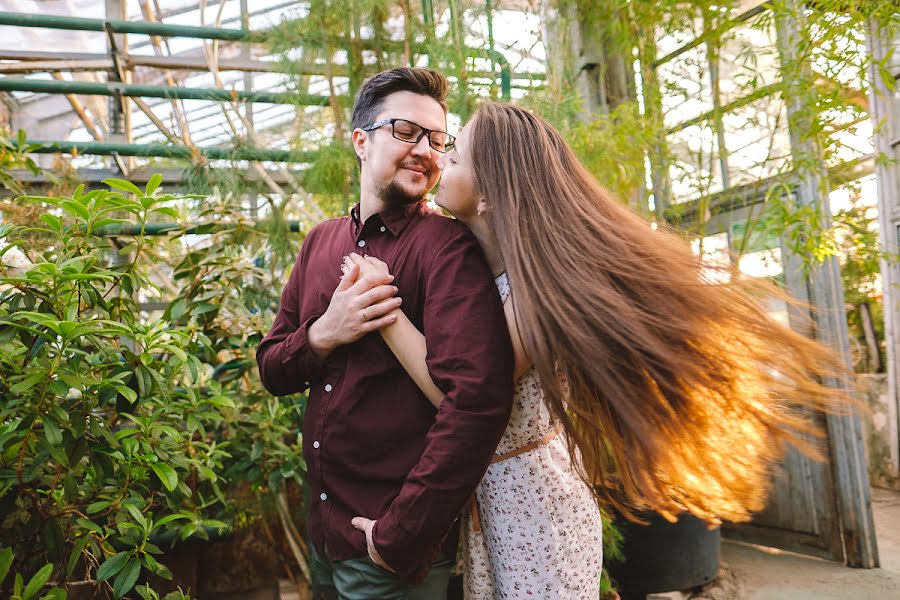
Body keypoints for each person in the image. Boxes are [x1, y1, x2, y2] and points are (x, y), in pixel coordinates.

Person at [342, 102, 845, 599]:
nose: (440, 160)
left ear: (492, 193)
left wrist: (381, 310)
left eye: (456, 155)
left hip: (534, 508)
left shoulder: (532, 291)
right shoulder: (478, 268)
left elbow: (460, 396)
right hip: (494, 501)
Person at [256, 68, 515, 599]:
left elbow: (477, 404)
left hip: (388, 550)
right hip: (325, 535)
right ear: (360, 140)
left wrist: (401, 535)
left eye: (437, 140)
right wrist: (325, 333)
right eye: (405, 131)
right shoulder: (319, 243)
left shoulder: (446, 248)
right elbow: (271, 368)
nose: (426, 151)